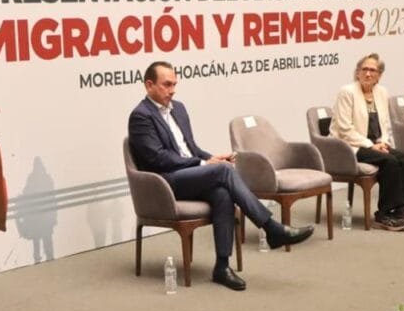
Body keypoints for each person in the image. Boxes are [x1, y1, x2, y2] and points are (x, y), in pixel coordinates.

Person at [127, 61, 314, 291]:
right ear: (149, 85)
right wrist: (204, 164)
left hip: (189, 174)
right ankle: (271, 227)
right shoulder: (141, 116)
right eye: (167, 84)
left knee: (222, 193)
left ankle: (222, 267)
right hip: (165, 182)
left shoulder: (179, 108)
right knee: (223, 171)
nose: (173, 90)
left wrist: (211, 158)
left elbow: (191, 149)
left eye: (175, 84)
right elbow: (158, 158)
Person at [331, 54, 404, 231]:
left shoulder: (381, 92)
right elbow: (345, 129)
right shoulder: (347, 92)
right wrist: (370, 145)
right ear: (357, 72)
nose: (368, 74)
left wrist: (383, 142)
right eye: (364, 69)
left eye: (373, 70)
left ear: (379, 75)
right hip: (349, 146)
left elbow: (384, 124)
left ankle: (401, 210)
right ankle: (383, 214)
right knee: (390, 161)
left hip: (374, 143)